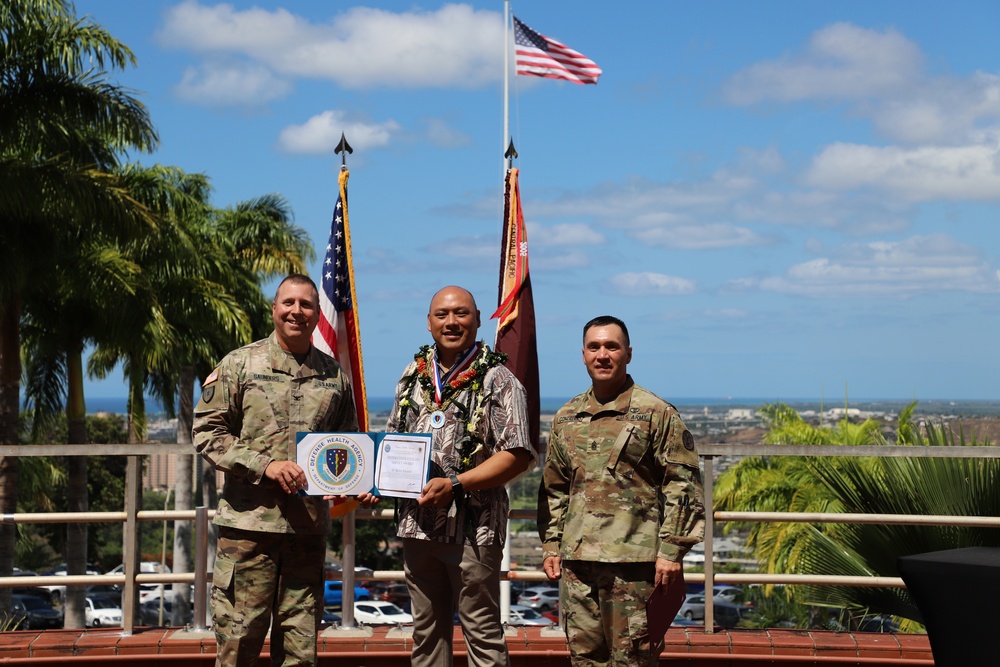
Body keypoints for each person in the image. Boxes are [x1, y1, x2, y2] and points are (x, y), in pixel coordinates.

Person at [361, 285, 535, 667]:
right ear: (428, 323)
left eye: (461, 314)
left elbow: (518, 455)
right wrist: (374, 482)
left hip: (474, 531)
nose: (451, 322)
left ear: (476, 319)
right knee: (426, 635)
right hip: (417, 527)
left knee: (483, 635)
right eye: (442, 314)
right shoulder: (412, 375)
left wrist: (456, 483)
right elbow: (394, 442)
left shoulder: (499, 379)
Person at [193, 274, 359, 667]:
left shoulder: (334, 376)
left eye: (305, 305)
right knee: (238, 647)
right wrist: (265, 466)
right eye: (289, 303)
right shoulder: (239, 364)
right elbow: (206, 433)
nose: (296, 311)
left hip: (306, 531)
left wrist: (360, 481)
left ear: (317, 314)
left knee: (301, 653)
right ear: (274, 308)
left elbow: (347, 444)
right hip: (248, 532)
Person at [537, 315, 705, 667]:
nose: (603, 355)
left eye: (611, 346)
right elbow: (555, 487)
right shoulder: (567, 416)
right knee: (584, 659)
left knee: (633, 660)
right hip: (578, 563)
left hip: (635, 565)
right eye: (594, 347)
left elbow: (682, 484)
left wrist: (672, 551)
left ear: (628, 353)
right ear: (583, 354)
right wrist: (552, 543)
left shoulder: (655, 412)